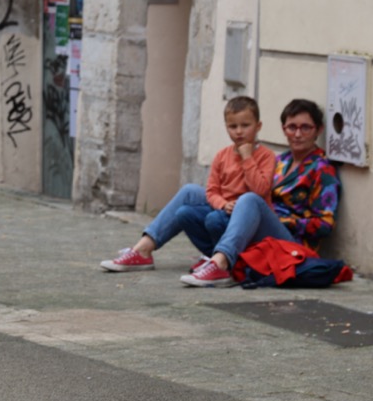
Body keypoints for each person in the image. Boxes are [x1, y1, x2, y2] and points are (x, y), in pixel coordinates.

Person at [101, 95, 275, 273]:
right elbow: (212, 191)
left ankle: (219, 260)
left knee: (219, 217)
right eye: (233, 126)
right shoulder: (222, 156)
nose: (239, 132)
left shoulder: (266, 156)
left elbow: (260, 191)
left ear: (258, 126)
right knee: (188, 195)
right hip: (225, 210)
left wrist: (247, 158)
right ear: (226, 127)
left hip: (250, 218)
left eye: (245, 125)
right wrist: (223, 204)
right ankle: (143, 250)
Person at [180, 97, 340, 287]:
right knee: (190, 208)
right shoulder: (281, 161)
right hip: (259, 228)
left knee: (249, 199)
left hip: (290, 243)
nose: (297, 134)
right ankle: (215, 259)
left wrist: (280, 220)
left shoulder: (322, 169)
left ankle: (220, 263)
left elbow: (324, 225)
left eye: (305, 128)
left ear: (318, 130)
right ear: (284, 130)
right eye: (292, 127)